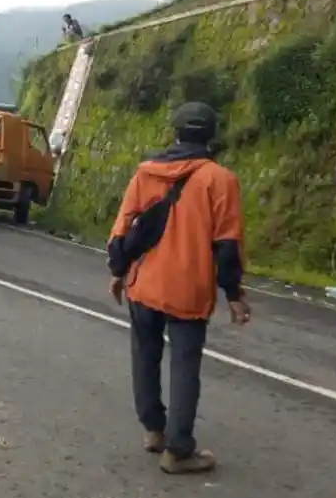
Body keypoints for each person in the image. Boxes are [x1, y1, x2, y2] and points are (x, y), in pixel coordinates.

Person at [105, 101, 251, 475]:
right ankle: (178, 450)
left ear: (175, 132)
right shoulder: (220, 180)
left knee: (145, 356)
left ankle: (154, 430)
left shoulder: (146, 173)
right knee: (185, 366)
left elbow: (123, 229)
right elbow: (227, 243)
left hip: (144, 284)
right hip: (189, 289)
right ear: (211, 136)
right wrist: (234, 295)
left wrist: (118, 272)